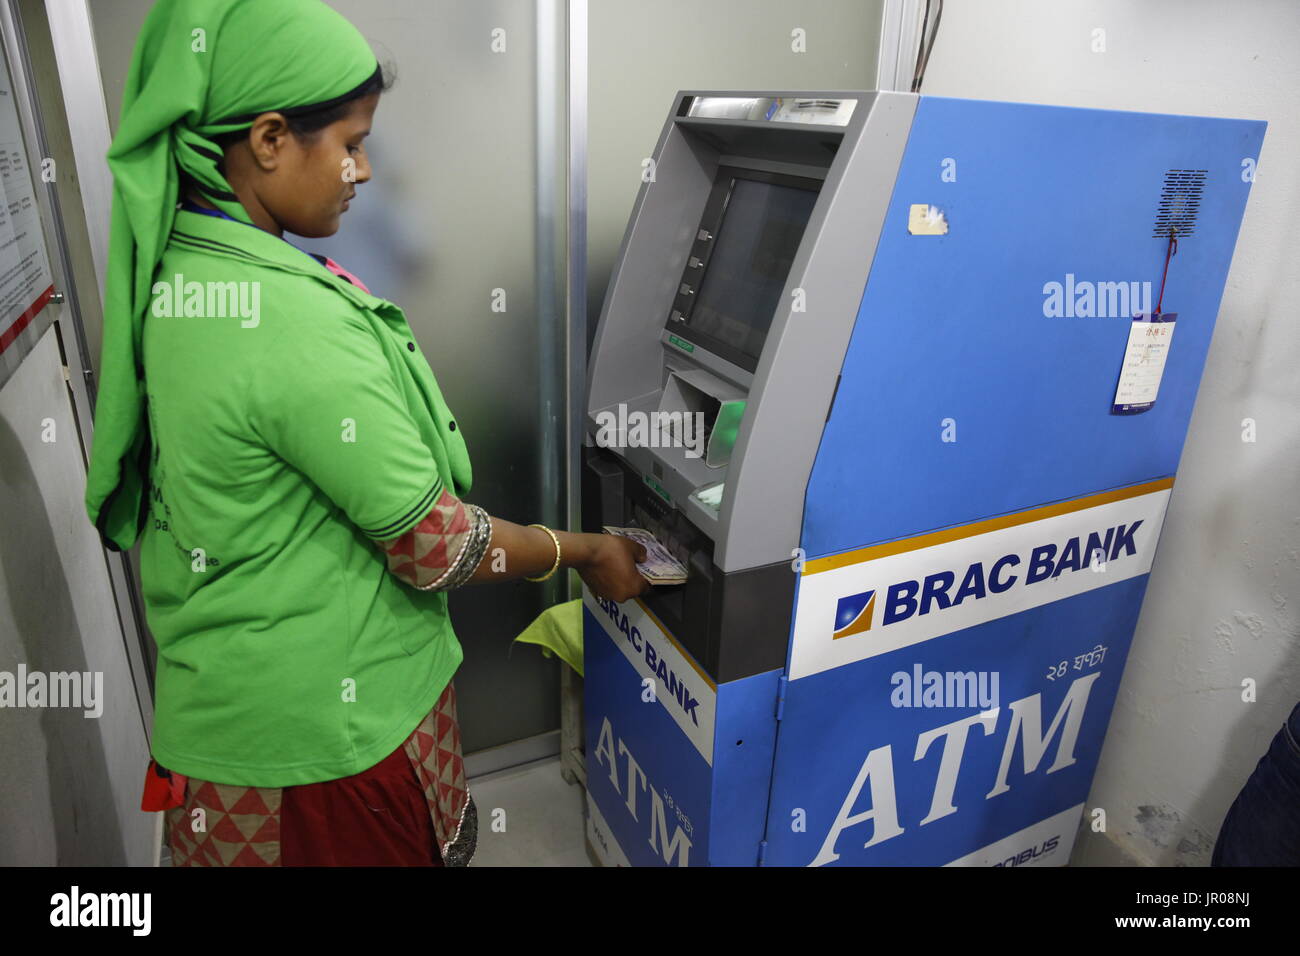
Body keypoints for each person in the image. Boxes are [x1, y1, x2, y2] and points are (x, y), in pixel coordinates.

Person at [84, 0, 647, 867]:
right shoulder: (283, 318)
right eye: (348, 143)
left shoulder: (188, 269)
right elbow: (434, 545)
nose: (365, 169)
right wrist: (585, 551)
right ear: (269, 140)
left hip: (232, 722)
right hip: (325, 752)